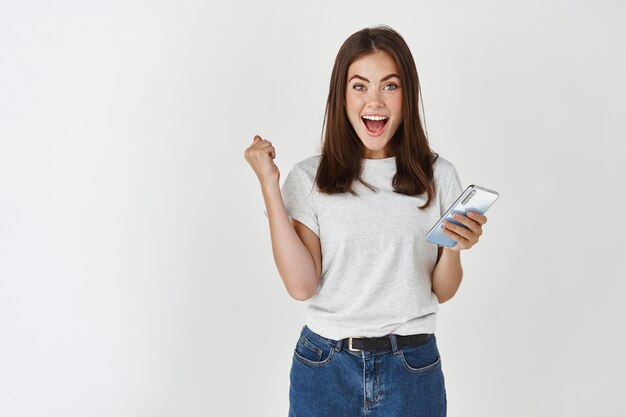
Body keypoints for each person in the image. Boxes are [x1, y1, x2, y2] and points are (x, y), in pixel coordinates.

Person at [244, 25, 488, 417]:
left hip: (413, 368)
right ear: (341, 97)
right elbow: (301, 285)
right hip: (325, 368)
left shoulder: (439, 176)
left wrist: (456, 248)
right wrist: (270, 187)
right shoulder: (310, 178)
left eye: (390, 86)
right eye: (359, 86)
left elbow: (441, 291)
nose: (374, 101)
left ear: (408, 96)